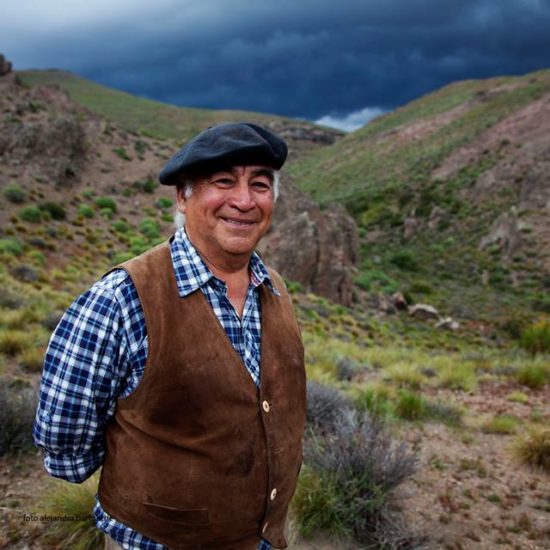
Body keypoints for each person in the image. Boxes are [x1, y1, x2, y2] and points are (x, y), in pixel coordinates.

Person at [34, 123, 306, 550]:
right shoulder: (122, 298)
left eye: (260, 184)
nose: (244, 200)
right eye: (223, 182)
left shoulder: (275, 288)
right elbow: (64, 442)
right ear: (183, 195)